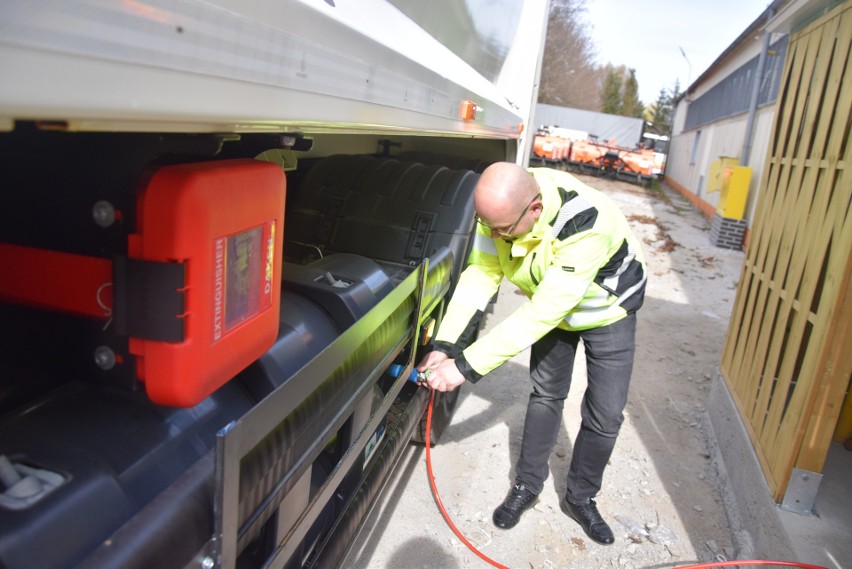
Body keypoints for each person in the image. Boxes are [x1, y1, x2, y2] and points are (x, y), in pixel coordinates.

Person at [417, 162, 646, 545]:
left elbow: (542, 313)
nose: (495, 235)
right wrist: (446, 346)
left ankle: (581, 497)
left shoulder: (585, 223)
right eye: (489, 226)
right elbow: (481, 275)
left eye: (503, 230)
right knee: (546, 395)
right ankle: (527, 484)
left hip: (607, 312)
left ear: (535, 210)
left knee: (606, 414)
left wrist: (466, 367)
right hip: (553, 309)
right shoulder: (500, 210)